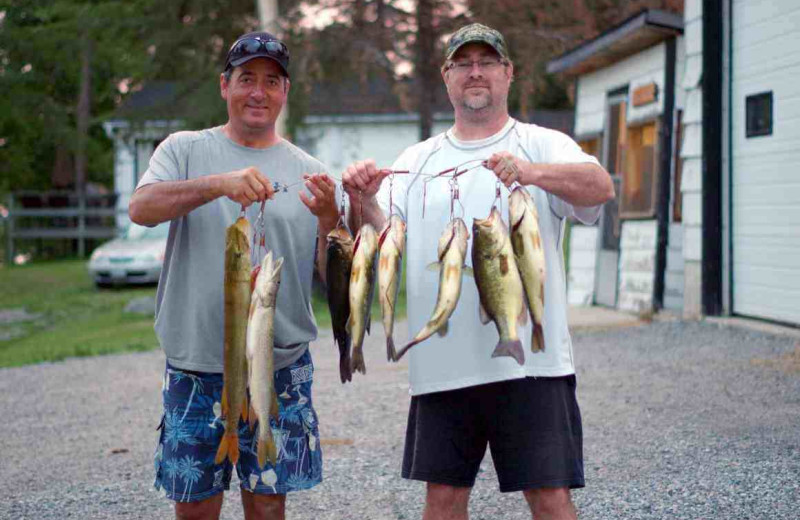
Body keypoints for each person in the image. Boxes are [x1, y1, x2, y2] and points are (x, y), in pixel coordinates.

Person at [342, 23, 615, 520]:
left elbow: (599, 187)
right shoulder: (416, 160)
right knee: (443, 501)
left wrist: (529, 173)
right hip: (442, 366)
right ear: (446, 78)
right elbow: (381, 235)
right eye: (462, 64)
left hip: (534, 364)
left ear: (508, 73)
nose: (475, 72)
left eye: (487, 62)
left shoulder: (541, 143)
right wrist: (360, 198)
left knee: (551, 498)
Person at [128, 31, 340, 520]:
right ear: (225, 86)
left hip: (278, 366)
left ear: (285, 92)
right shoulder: (183, 150)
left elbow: (333, 278)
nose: (258, 92)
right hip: (195, 365)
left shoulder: (310, 172)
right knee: (196, 507)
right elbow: (141, 208)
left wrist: (330, 219)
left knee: (268, 507)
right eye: (247, 79)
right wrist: (219, 184)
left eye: (271, 81)